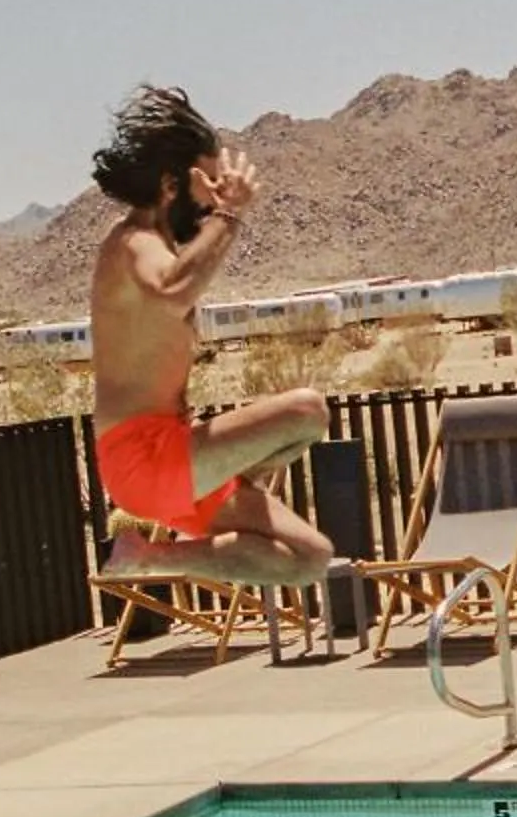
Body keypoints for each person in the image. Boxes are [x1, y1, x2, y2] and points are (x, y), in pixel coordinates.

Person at [87, 85, 335, 589]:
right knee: (307, 410)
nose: (210, 198)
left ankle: (145, 558)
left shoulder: (155, 242)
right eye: (207, 184)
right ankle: (232, 476)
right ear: (169, 184)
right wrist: (230, 213)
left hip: (170, 454)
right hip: (142, 459)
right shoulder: (131, 241)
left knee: (307, 558)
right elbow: (173, 289)